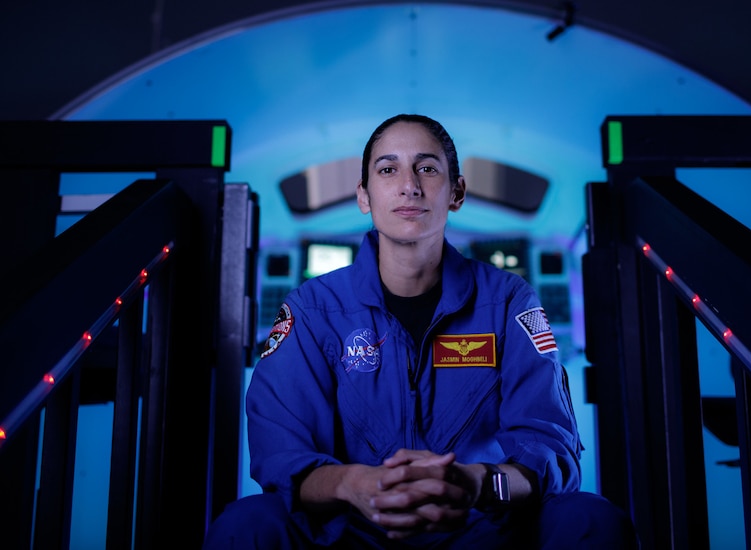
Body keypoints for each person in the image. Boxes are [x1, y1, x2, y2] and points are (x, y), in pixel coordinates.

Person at [203, 114, 638, 548]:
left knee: (590, 519)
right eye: (388, 169)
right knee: (247, 524)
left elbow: (548, 446)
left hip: (479, 528)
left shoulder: (508, 301)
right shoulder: (313, 310)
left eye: (427, 168)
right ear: (363, 196)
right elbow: (281, 454)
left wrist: (475, 484)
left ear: (457, 193)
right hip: (351, 532)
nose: (409, 185)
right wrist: (354, 484)